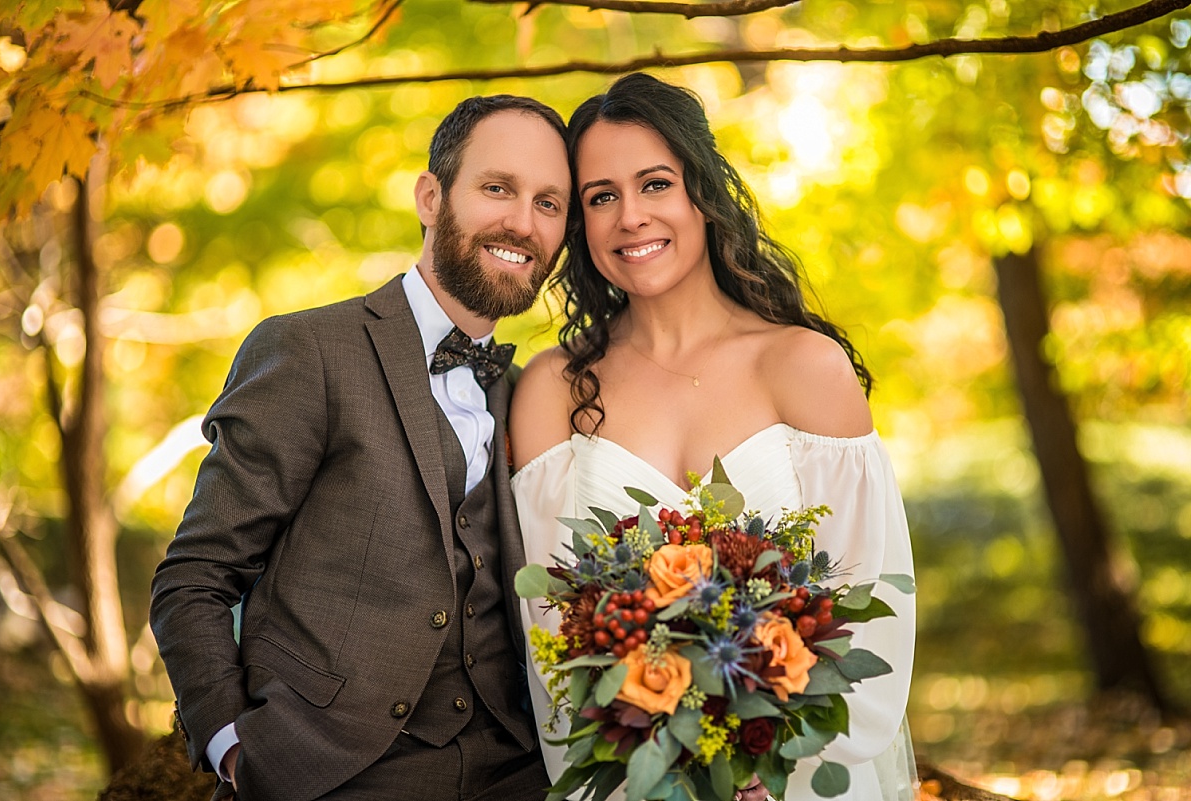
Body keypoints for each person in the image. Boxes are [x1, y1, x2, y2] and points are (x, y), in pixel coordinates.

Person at [150, 94, 572, 801]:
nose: (522, 222)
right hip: (328, 773)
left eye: (549, 203)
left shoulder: (534, 395)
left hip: (519, 769)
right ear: (431, 197)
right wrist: (234, 749)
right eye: (497, 188)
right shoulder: (309, 349)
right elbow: (194, 575)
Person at [509, 73, 917, 801]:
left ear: (701, 193)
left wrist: (766, 760)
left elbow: (874, 605)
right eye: (602, 196)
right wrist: (645, 761)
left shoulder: (802, 365)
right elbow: (549, 636)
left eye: (655, 184)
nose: (630, 216)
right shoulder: (551, 391)